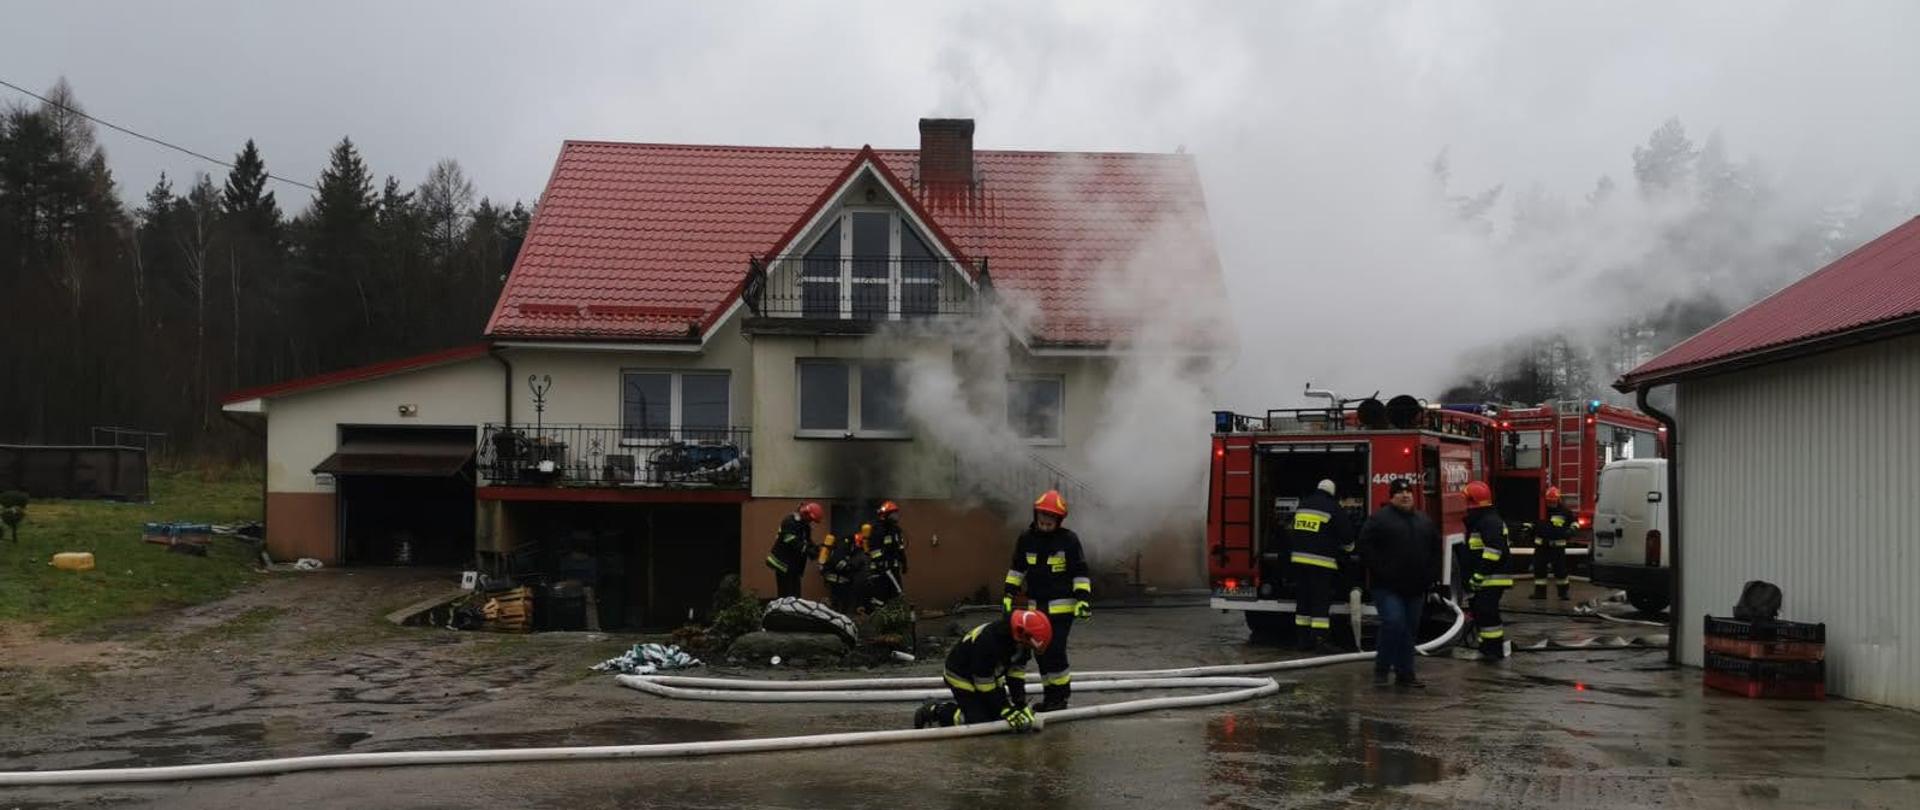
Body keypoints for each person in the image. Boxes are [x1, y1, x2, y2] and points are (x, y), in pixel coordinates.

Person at [1002, 489, 1090, 712]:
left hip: (1062, 609)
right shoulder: (1026, 539)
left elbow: (1080, 572)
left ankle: (1061, 698)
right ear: (1036, 515)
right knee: (1040, 652)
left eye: (1051, 517)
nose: (1046, 520)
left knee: (1055, 651)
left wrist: (1082, 599)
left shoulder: (1068, 540)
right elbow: (1018, 569)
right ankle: (1050, 697)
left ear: (1059, 520)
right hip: (1036, 607)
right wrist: (1008, 594)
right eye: (1043, 515)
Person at [1356, 478, 1438, 687]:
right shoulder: (1379, 520)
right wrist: (1381, 571)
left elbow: (1436, 551)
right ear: (1391, 497)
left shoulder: (1424, 521)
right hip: (1387, 587)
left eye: (1408, 492)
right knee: (1393, 623)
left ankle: (1405, 674)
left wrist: (1430, 576)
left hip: (1416, 587)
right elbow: (1365, 547)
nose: (1405, 495)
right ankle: (1381, 671)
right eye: (1400, 493)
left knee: (1409, 630)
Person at [913, 609, 1052, 732]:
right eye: (1029, 645)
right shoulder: (989, 641)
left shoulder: (1022, 643)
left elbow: (1015, 675)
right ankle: (935, 710)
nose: (1029, 649)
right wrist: (1004, 707)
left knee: (999, 719)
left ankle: (990, 711)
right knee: (979, 722)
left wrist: (1020, 704)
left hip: (990, 675)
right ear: (1021, 634)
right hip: (961, 675)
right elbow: (983, 683)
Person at [1288, 479, 1356, 651]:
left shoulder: (1303, 504)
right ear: (1333, 492)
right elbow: (1347, 535)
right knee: (1320, 601)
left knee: (1303, 600)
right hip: (1321, 563)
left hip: (1298, 561)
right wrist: (1350, 550)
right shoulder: (1333, 507)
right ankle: (1321, 640)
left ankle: (1302, 640)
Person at [1461, 481, 1514, 660]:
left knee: (1487, 612)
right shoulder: (1485, 519)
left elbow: (1493, 551)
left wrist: (1478, 575)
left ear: (1473, 501)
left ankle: (1493, 651)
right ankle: (1486, 646)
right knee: (1482, 612)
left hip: (1491, 577)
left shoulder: (1488, 521)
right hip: (1488, 576)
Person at [764, 502, 822, 599]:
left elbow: (807, 540)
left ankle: (790, 612)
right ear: (806, 514)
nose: (811, 521)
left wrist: (816, 548)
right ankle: (784, 612)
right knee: (787, 595)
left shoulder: (804, 525)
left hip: (793, 565)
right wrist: (807, 550)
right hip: (782, 563)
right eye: (811, 519)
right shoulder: (790, 521)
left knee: (795, 595)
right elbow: (791, 540)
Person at [1530, 487, 1575, 601]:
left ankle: (1563, 593)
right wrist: (1528, 530)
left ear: (1558, 499)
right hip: (1542, 546)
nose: (1551, 503)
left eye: (1553, 501)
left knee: (1560, 571)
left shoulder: (1565, 512)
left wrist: (1571, 530)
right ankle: (1540, 593)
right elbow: (1532, 523)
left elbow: (1575, 523)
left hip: (1557, 547)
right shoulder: (1541, 511)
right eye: (1549, 501)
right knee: (1539, 570)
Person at [867, 501, 908, 606]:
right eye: (893, 513)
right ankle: (877, 618)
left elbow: (900, 547)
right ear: (886, 515)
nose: (896, 516)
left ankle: (891, 618)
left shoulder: (895, 530)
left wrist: (904, 562)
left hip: (893, 568)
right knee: (883, 596)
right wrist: (881, 563)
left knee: (895, 594)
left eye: (896, 513)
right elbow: (874, 549)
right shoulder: (878, 529)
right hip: (882, 570)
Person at [819, 532, 867, 614]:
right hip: (836, 579)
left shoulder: (850, 547)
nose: (859, 545)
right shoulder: (843, 545)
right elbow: (838, 562)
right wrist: (849, 567)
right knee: (838, 603)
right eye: (860, 543)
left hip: (840, 580)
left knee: (842, 602)